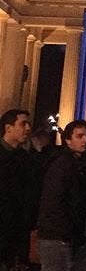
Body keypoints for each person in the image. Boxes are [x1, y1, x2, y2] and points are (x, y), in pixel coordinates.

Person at [37, 119, 86, 271]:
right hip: (56, 235)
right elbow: (53, 201)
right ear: (67, 140)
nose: (85, 140)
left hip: (61, 234)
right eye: (79, 136)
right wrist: (67, 229)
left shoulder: (73, 163)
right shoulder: (63, 165)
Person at [0, 109, 32, 271]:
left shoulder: (24, 157)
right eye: (23, 124)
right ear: (8, 128)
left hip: (15, 230)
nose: (28, 128)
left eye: (28, 124)